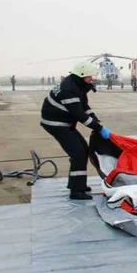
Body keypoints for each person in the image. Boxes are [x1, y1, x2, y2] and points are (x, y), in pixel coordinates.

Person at [40, 62, 110, 200]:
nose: (92, 79)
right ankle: (76, 191)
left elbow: (84, 105)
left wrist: (95, 119)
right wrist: (98, 128)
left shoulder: (77, 85)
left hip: (64, 123)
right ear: (81, 75)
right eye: (90, 77)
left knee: (83, 150)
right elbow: (79, 114)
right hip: (56, 124)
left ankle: (79, 185)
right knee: (78, 154)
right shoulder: (69, 89)